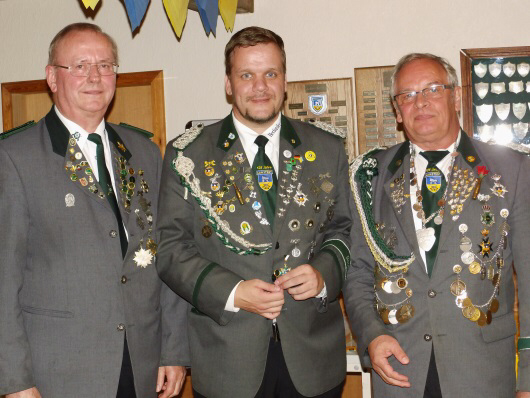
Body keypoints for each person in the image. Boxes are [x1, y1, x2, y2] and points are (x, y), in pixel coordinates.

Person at [156, 26, 352, 398]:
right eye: (246, 75)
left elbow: (343, 229)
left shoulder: (327, 148)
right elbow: (170, 248)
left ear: (285, 81)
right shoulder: (188, 155)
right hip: (228, 359)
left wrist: (323, 274)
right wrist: (232, 291)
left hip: (313, 360)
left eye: (270, 74)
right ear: (229, 84)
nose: (259, 86)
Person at [0, 23, 189, 398]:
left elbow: (167, 255)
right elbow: (3, 280)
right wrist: (15, 380)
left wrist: (173, 349)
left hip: (142, 366)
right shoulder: (15, 158)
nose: (95, 77)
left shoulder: (144, 152)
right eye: (80, 66)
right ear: (53, 78)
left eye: (105, 65)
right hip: (59, 372)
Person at [344, 52, 530, 397]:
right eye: (408, 95)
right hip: (399, 369)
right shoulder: (370, 177)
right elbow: (356, 271)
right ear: (397, 111)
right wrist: (371, 335)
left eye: (432, 89)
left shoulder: (513, 170)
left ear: (455, 96)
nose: (421, 102)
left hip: (482, 371)